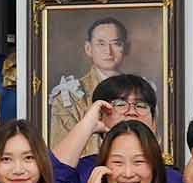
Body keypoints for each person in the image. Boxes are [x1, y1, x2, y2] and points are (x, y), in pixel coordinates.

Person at [46, 73, 167, 183]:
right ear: (100, 116)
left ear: (154, 123)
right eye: (120, 104)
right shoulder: (85, 171)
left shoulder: (171, 178)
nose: (131, 112)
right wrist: (87, 124)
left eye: (141, 106)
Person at [48, 17, 132, 145]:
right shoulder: (69, 97)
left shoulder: (140, 92)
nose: (108, 51)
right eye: (101, 44)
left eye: (116, 44)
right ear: (88, 48)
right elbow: (60, 152)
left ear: (126, 48)